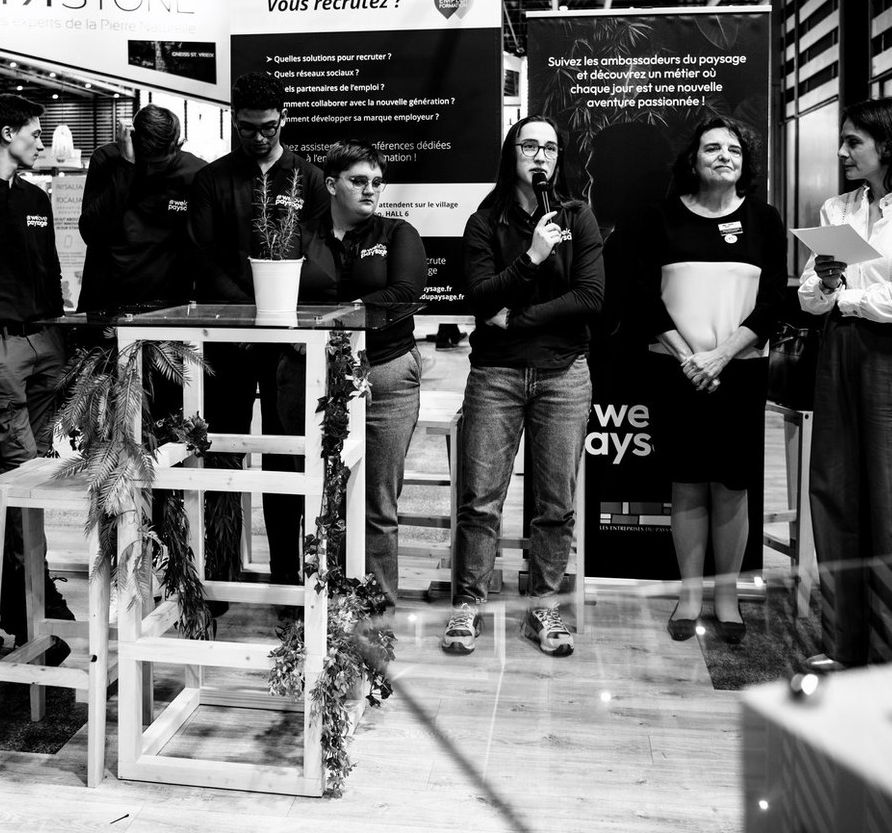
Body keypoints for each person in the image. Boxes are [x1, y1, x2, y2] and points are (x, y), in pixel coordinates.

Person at [442, 115, 603, 657]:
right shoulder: (484, 221)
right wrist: (533, 257)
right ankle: (468, 604)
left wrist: (517, 318)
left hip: (563, 373)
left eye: (550, 148)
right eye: (529, 145)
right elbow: (480, 298)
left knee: (555, 503)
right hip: (497, 374)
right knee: (480, 500)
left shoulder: (578, 217)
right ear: (512, 153)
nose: (540, 156)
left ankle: (544, 605)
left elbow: (589, 298)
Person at [632, 118, 786, 643]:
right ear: (693, 160)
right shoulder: (661, 217)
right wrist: (690, 358)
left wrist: (719, 356)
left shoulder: (765, 219)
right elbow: (642, 297)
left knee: (732, 484)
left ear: (745, 162)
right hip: (676, 370)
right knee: (687, 481)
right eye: (712, 148)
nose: (724, 155)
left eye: (734, 149)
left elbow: (773, 302)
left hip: (739, 371)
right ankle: (690, 595)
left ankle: (726, 597)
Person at [798, 96, 892, 670]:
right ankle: (842, 646)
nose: (842, 151)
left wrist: (844, 296)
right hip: (839, 353)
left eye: (854, 141)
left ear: (889, 145)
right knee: (834, 496)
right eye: (843, 140)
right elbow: (810, 297)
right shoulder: (837, 208)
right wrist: (827, 287)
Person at [188, 70, 330, 586]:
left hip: (287, 343)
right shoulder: (212, 180)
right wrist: (248, 314)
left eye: (269, 126)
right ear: (234, 122)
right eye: (248, 128)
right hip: (227, 340)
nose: (259, 137)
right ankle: (220, 574)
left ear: (283, 119)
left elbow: (318, 258)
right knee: (220, 454)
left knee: (285, 458)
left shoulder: (309, 178)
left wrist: (277, 317)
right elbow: (203, 259)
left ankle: (288, 576)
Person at [277, 140, 426, 608]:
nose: (370, 190)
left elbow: (405, 292)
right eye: (358, 180)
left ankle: (376, 611)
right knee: (322, 496)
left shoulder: (397, 233)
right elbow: (277, 299)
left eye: (377, 182)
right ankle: (324, 607)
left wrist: (334, 316)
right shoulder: (300, 235)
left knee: (376, 501)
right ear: (331, 184)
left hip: (385, 373)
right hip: (310, 375)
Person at [0, 93, 74, 649]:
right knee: (19, 469)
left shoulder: (34, 196)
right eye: (34, 132)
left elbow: (50, 267)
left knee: (36, 469)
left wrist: (59, 336)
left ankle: (21, 589)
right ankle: (33, 596)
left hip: (45, 341)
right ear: (7, 133)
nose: (41, 142)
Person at [78, 104, 205, 312]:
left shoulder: (195, 172)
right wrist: (126, 165)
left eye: (160, 164)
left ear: (176, 144)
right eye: (146, 163)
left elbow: (204, 247)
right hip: (105, 301)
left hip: (167, 305)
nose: (152, 170)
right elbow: (90, 232)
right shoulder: (107, 160)